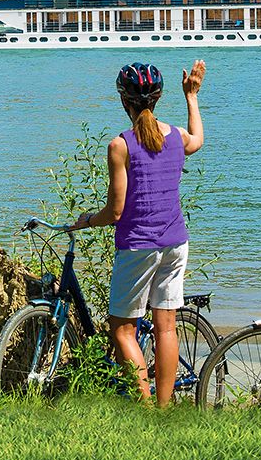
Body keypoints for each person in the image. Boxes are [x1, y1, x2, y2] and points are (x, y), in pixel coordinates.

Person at [67, 60, 207, 407]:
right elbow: (198, 140)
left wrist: (85, 221)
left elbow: (115, 211)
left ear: (122, 100)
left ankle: (143, 404)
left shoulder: (121, 145)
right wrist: (192, 97)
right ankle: (163, 409)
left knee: (122, 330)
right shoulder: (174, 136)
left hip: (138, 246)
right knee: (166, 327)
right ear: (158, 99)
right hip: (176, 242)